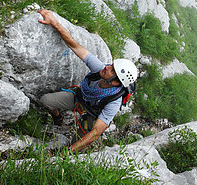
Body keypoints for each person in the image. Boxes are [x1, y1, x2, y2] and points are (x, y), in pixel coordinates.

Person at [37, 9, 138, 153]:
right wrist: (55, 23)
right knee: (45, 100)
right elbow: (74, 46)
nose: (107, 67)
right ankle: (58, 118)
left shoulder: (113, 101)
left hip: (93, 114)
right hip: (80, 97)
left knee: (76, 145)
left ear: (116, 82)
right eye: (112, 65)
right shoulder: (100, 70)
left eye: (112, 70)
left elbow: (96, 133)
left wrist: (68, 152)